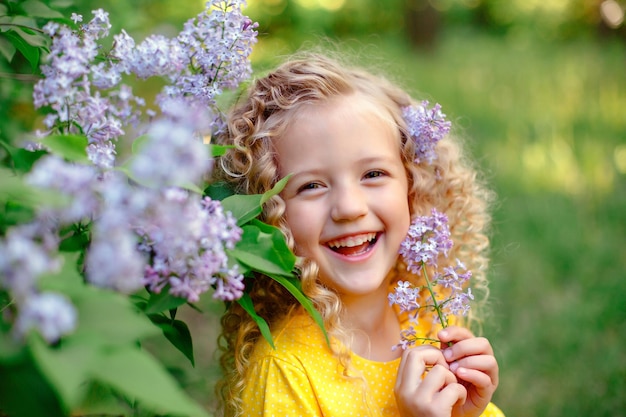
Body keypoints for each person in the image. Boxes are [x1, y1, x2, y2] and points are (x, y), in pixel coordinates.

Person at [214, 51, 503, 417]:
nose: (349, 207)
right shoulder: (286, 372)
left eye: (372, 174)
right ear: (271, 215)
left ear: (412, 187)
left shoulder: (428, 313)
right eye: (312, 186)